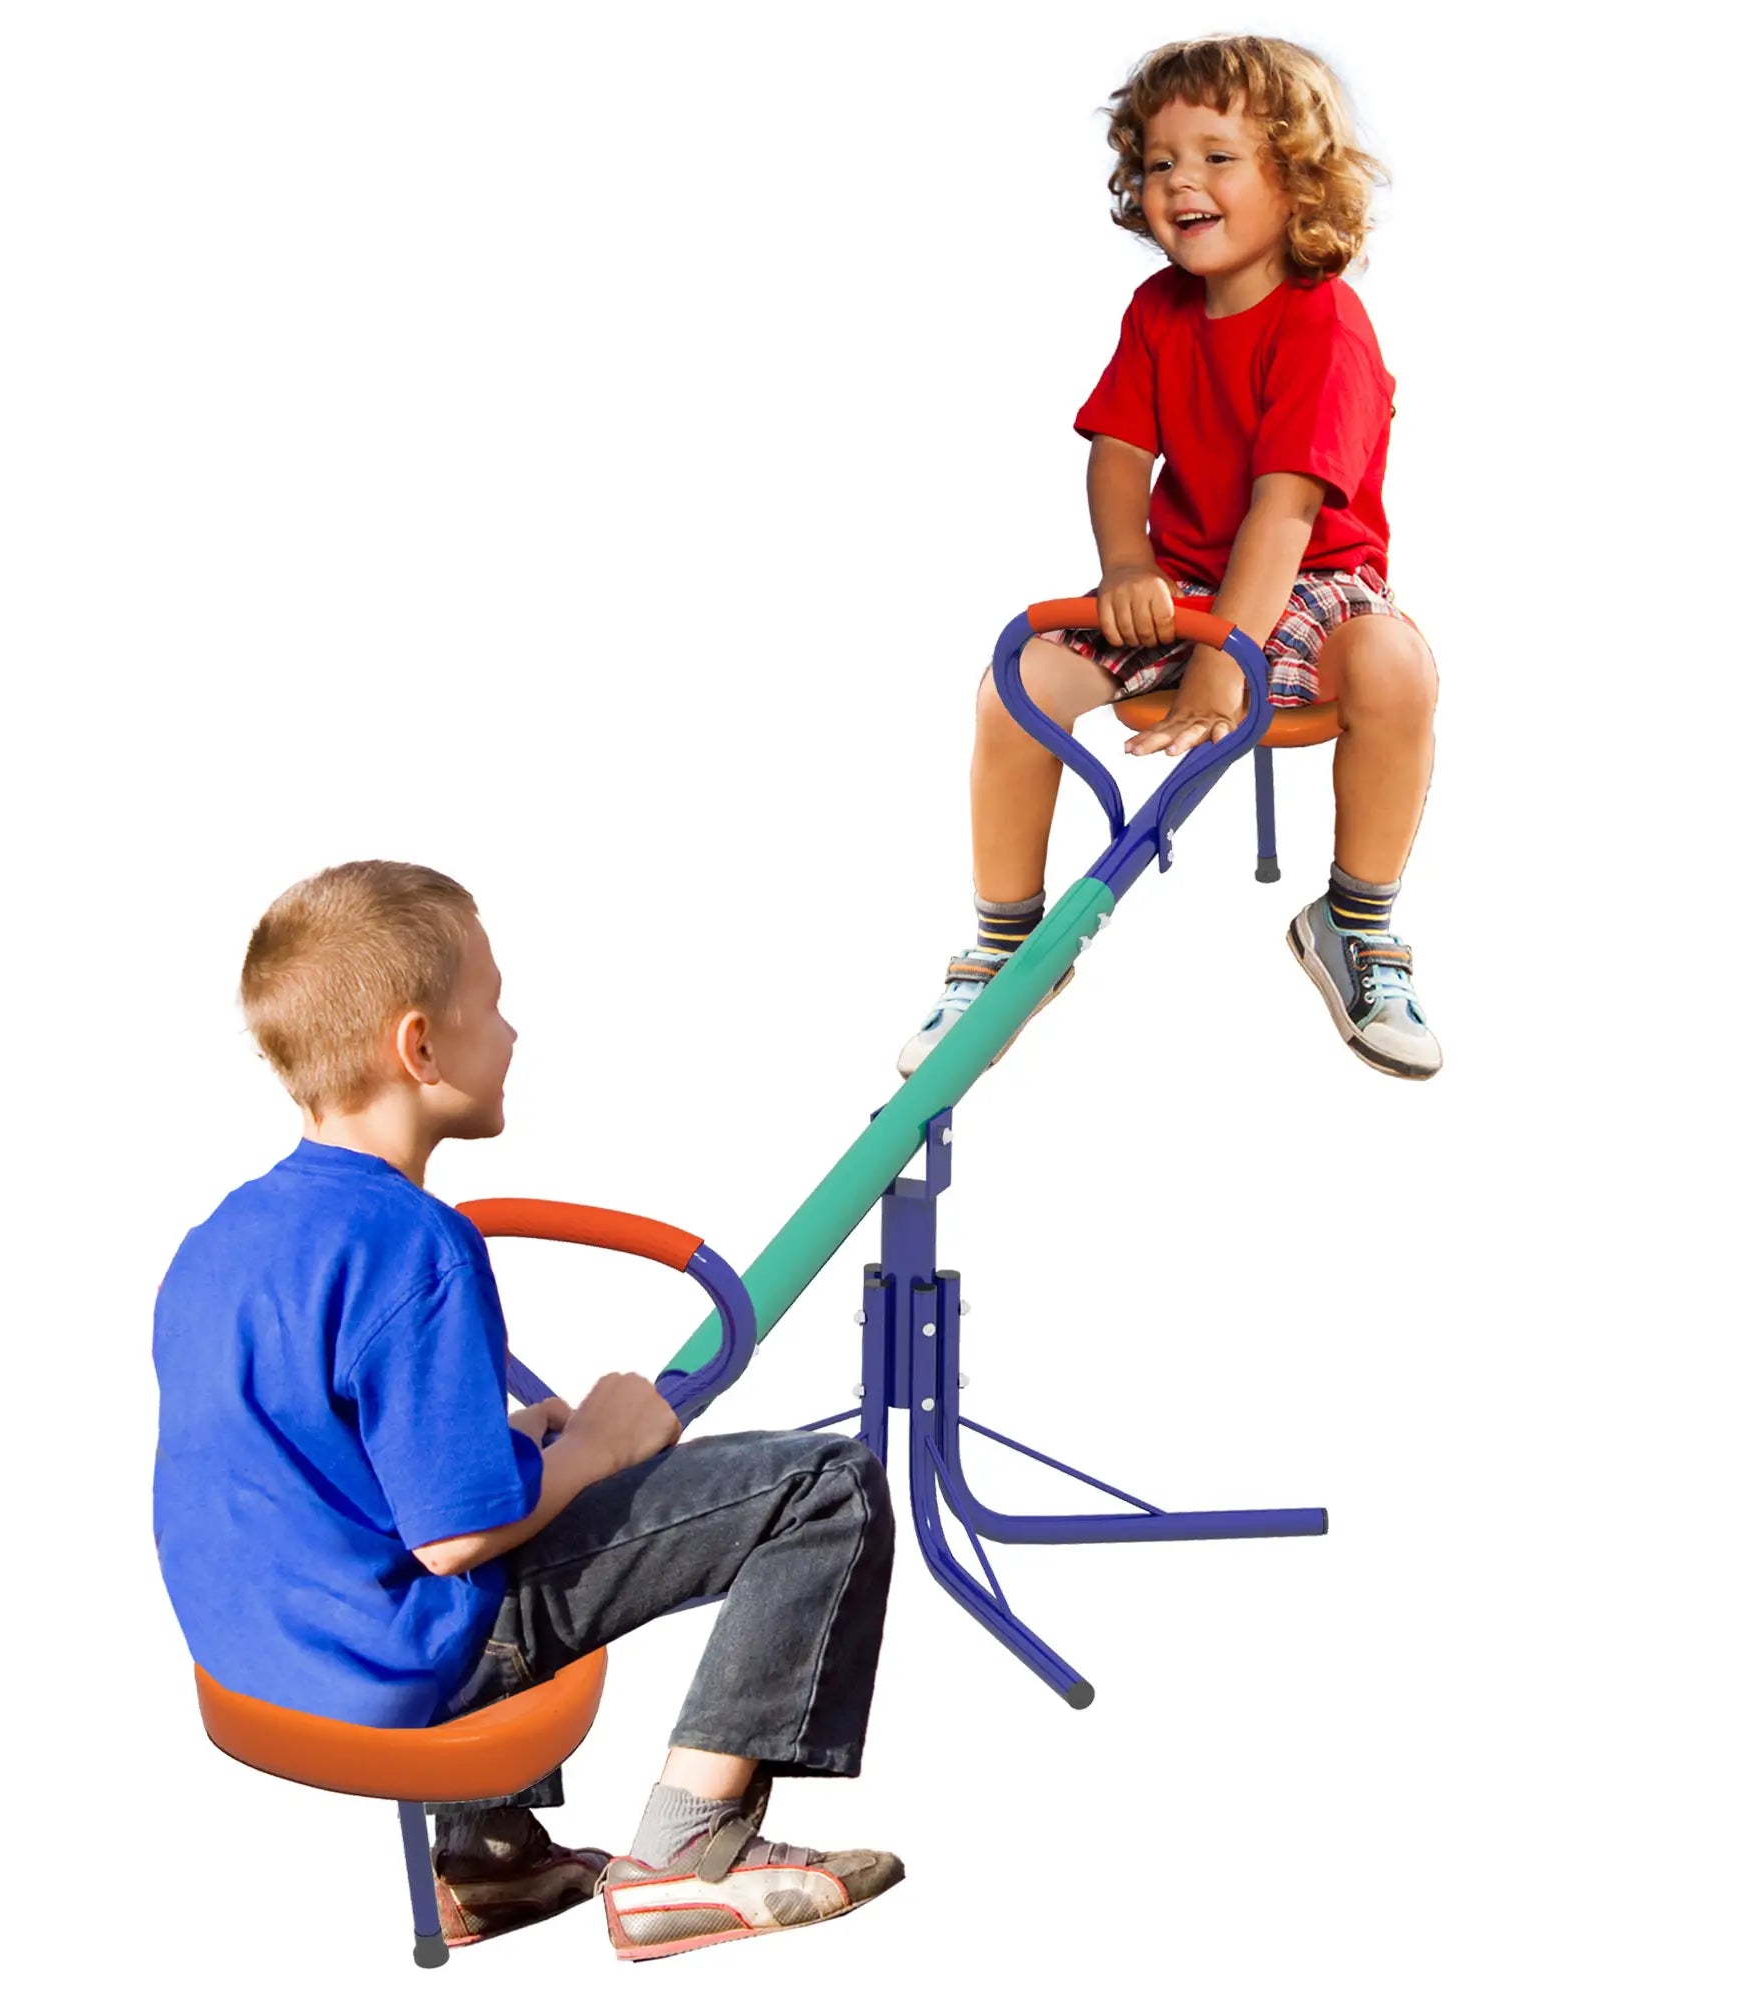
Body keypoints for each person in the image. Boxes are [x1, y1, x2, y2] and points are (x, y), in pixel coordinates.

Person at [154, 860, 901, 1958]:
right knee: (824, 1485)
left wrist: (512, 1444)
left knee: (511, 1473)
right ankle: (688, 1852)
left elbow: (318, 1464)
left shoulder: (222, 1235)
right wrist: (597, 1445)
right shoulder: (420, 1243)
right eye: (492, 1004)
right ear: (419, 1046)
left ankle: (487, 1856)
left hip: (263, 1661)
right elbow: (456, 1537)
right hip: (400, 1663)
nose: (512, 1032)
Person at [898, 35, 1442, 1083]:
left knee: (1397, 666)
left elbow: (1284, 513)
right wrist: (1124, 565)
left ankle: (1355, 921)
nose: (1179, 182)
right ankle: (1004, 941)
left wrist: (1221, 661)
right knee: (1013, 685)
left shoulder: (1325, 322)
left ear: (1296, 177)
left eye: (1216, 157)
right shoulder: (1157, 310)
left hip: (1308, 582)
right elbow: (1116, 452)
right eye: (1158, 162)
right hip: (1180, 581)